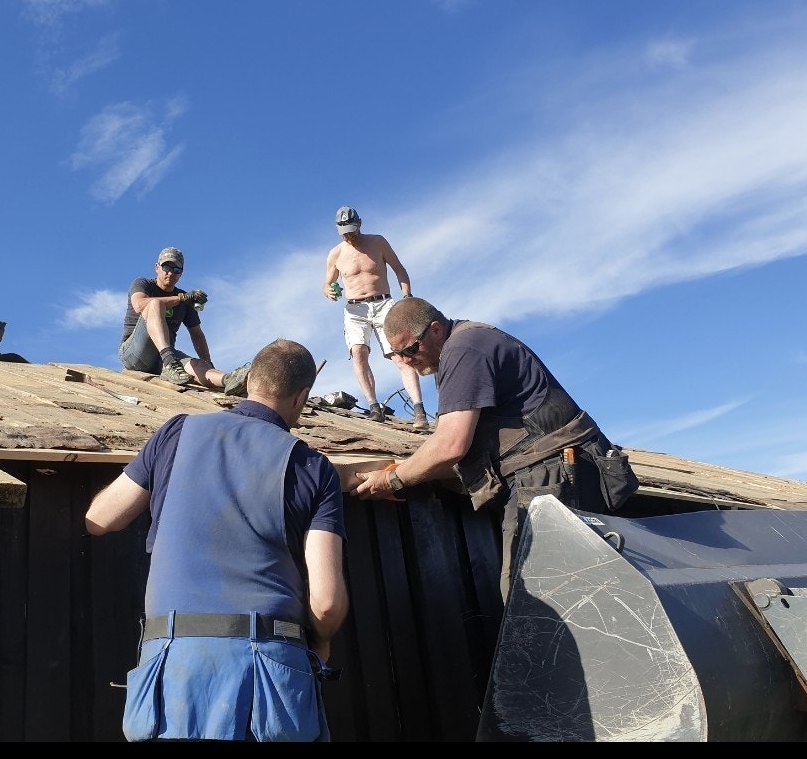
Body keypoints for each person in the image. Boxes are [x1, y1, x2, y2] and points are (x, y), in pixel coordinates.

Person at [85, 338, 349, 743]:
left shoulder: (176, 432)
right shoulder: (313, 466)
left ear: (248, 383)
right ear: (302, 397)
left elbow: (99, 520)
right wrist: (322, 642)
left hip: (172, 669)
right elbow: (327, 602)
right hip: (269, 673)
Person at [347, 296, 639, 602]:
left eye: (410, 350)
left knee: (537, 599)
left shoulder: (463, 348)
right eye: (396, 355)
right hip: (556, 471)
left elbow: (450, 445)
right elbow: (459, 450)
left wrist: (392, 479)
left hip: (553, 473)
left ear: (435, 330)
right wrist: (412, 468)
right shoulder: (465, 346)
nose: (406, 361)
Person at [323, 206, 429, 430]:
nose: (349, 236)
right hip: (355, 310)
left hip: (383, 303)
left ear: (360, 223)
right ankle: (373, 406)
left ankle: (419, 409)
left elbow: (399, 269)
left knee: (400, 355)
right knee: (358, 353)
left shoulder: (378, 242)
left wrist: (407, 296)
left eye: (352, 230)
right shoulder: (336, 254)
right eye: (344, 232)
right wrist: (329, 290)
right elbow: (327, 282)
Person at [120, 246, 251, 396]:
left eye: (177, 270)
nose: (171, 273)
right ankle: (169, 362)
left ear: (181, 274)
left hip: (161, 361)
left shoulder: (185, 299)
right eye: (167, 267)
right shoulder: (143, 284)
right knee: (155, 304)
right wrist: (182, 299)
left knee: (197, 365)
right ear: (157, 268)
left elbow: (197, 335)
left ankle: (230, 380)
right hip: (134, 354)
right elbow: (138, 305)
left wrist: (209, 364)